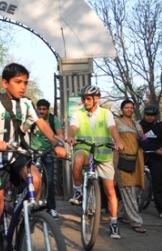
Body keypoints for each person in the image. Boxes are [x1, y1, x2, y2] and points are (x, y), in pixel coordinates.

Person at [0, 63, 66, 251]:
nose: (23, 86)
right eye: (18, 82)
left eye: (25, 82)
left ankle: (28, 218)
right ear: (5, 83)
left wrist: (57, 143)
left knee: (37, 180)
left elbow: (42, 124)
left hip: (19, 155)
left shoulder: (27, 104)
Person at [66, 85, 125, 239]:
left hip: (103, 153)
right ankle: (78, 191)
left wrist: (118, 142)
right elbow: (72, 128)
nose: (85, 102)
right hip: (84, 149)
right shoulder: (78, 114)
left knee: (110, 191)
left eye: (88, 98)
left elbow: (112, 129)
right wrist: (70, 136)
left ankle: (113, 223)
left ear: (96, 99)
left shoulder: (106, 114)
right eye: (83, 99)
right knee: (77, 159)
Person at [26, 99, 65, 220]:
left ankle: (51, 208)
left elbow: (59, 134)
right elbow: (23, 129)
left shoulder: (54, 120)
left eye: (44, 109)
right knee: (29, 179)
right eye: (40, 109)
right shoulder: (31, 118)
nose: (42, 111)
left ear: (48, 109)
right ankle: (28, 205)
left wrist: (59, 146)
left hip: (48, 152)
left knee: (49, 181)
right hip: (33, 151)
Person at [114, 99, 146, 233]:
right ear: (122, 109)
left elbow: (144, 139)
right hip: (122, 159)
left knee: (136, 189)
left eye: (131, 108)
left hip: (137, 159)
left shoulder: (137, 125)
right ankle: (136, 222)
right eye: (126, 107)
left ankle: (121, 213)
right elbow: (112, 138)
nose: (129, 110)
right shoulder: (116, 122)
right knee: (128, 189)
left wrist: (146, 138)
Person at [139, 104, 162, 220]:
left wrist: (161, 150)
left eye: (152, 115)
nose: (149, 117)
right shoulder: (140, 125)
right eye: (147, 115)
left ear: (155, 116)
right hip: (142, 154)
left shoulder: (161, 126)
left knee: (158, 182)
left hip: (156, 156)